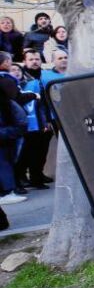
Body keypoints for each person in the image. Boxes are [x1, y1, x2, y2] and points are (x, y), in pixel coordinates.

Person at [0, 51, 34, 205]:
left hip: (6, 124)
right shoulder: (5, 80)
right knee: (5, 159)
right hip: (6, 125)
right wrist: (33, 96)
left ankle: (7, 190)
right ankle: (6, 192)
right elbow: (15, 98)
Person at [14, 50, 49, 191]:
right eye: (31, 59)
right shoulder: (22, 79)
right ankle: (23, 178)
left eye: (37, 59)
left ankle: (37, 175)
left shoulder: (44, 76)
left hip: (42, 119)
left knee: (41, 150)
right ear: (25, 62)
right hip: (27, 122)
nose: (35, 62)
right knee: (26, 153)